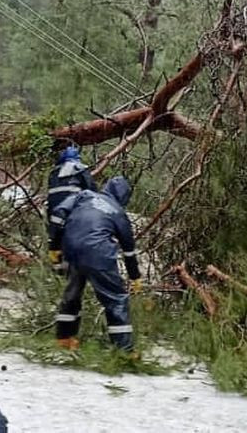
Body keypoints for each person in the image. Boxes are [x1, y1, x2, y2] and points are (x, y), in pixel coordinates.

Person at [48, 176, 142, 351]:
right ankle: (124, 351)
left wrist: (54, 245)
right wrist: (135, 277)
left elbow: (59, 213)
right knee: (116, 299)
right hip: (99, 254)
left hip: (72, 249)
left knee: (72, 294)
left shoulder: (84, 196)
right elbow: (128, 250)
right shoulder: (117, 212)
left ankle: (64, 339)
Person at [46, 145, 95, 267]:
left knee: (56, 238)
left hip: (54, 213)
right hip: (73, 211)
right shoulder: (80, 168)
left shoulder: (53, 172)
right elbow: (91, 190)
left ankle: (56, 266)